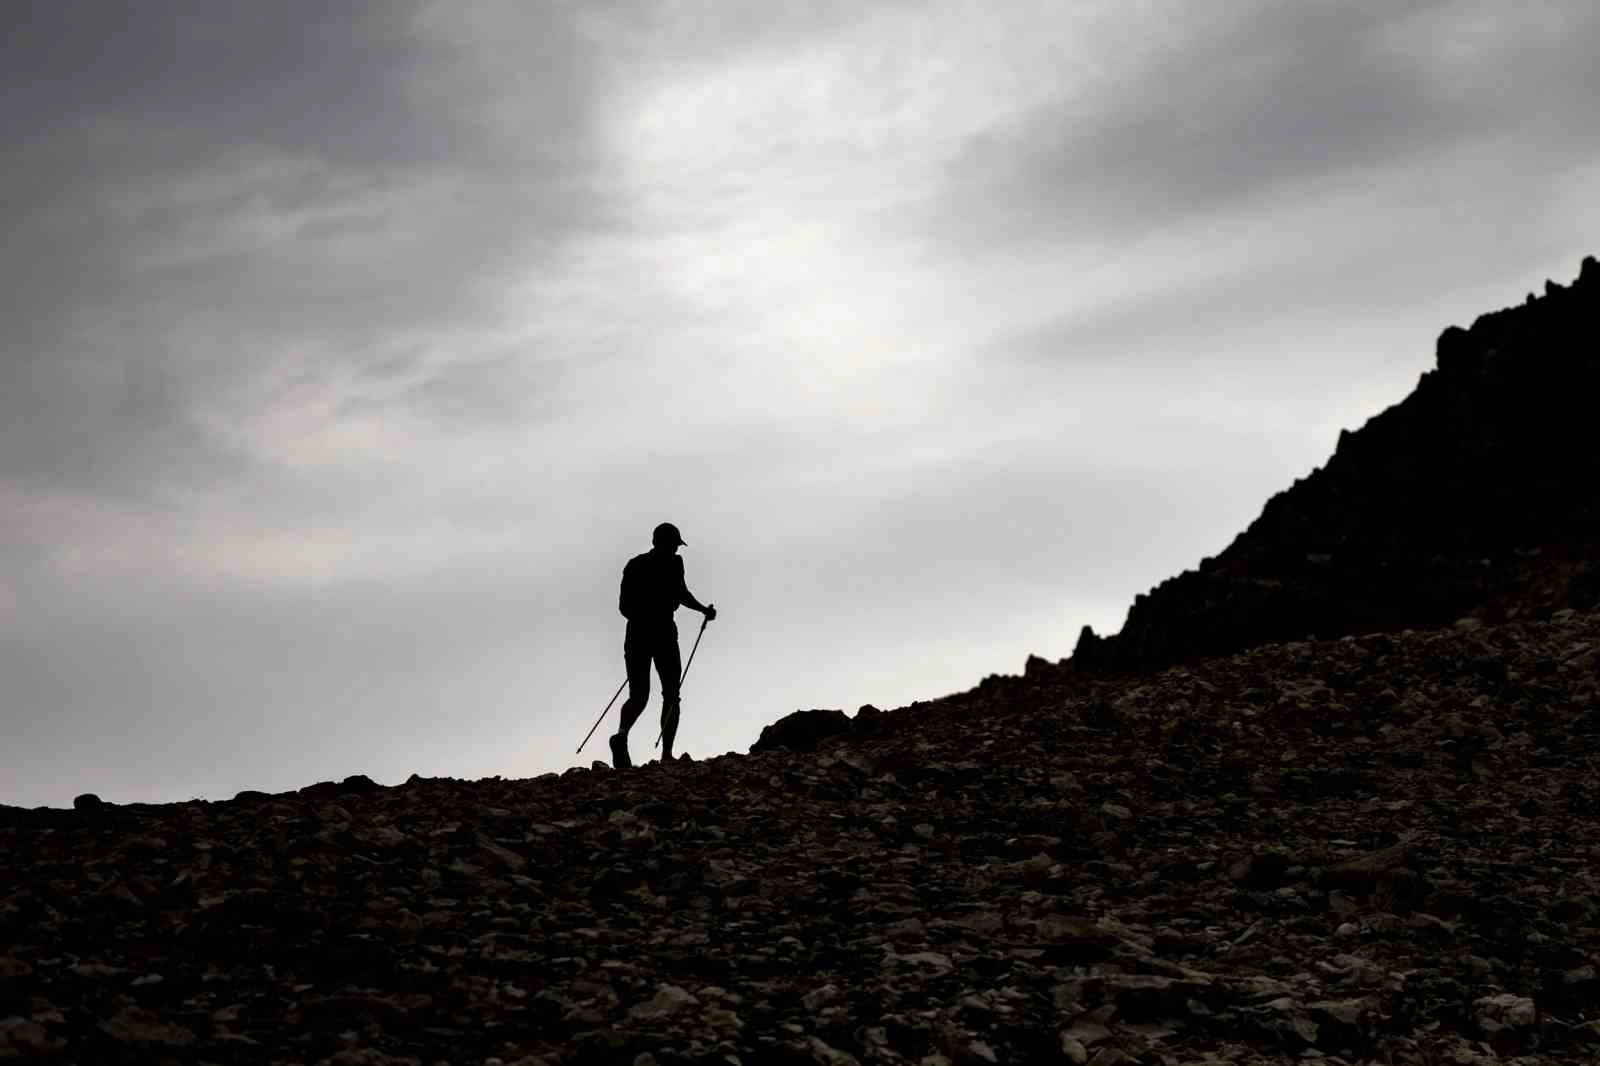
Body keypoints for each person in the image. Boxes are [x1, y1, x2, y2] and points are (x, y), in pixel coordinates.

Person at [611, 522, 716, 768]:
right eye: (674, 545)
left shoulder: (636, 564)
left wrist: (642, 619)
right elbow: (681, 594)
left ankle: (623, 736)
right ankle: (666, 754)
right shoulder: (672, 564)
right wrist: (703, 610)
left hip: (637, 634)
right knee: (670, 694)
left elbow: (624, 607)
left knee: (640, 695)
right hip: (662, 633)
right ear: (665, 544)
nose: (676, 550)